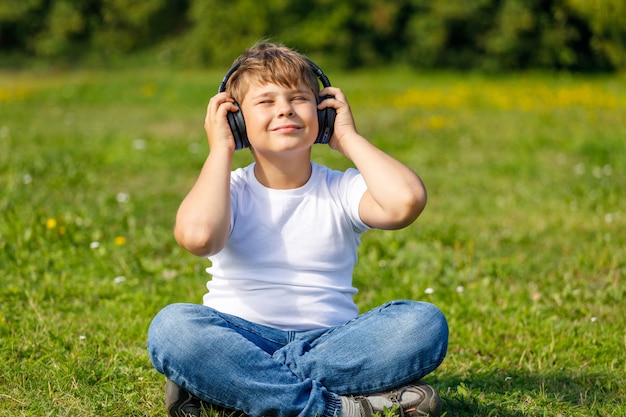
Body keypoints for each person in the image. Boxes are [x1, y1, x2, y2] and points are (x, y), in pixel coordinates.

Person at [148, 42, 448, 417]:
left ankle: (235, 389)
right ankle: (336, 409)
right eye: (266, 102)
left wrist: (348, 139)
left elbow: (405, 202)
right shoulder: (231, 190)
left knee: (423, 324)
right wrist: (220, 149)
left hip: (331, 342)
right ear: (236, 120)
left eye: (298, 98)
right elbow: (197, 237)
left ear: (322, 113)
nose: (285, 109)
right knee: (173, 328)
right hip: (240, 338)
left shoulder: (341, 188)